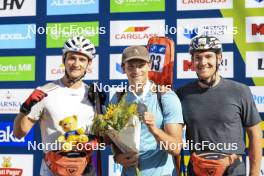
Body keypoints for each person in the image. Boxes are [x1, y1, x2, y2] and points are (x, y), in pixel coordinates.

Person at [13, 36, 103, 176]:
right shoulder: (45, 92)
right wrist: (24, 110)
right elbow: (19, 133)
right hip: (52, 170)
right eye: (72, 58)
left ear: (89, 64)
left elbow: (103, 137)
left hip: (86, 170)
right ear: (64, 60)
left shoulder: (94, 95)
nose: (76, 64)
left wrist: (95, 140)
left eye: (82, 59)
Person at [176, 35, 262, 176]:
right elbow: (174, 138)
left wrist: (254, 174)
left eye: (208, 56)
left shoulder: (240, 91)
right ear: (191, 61)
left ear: (219, 58)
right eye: (197, 57)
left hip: (232, 170)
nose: (203, 62)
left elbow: (255, 135)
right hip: (197, 170)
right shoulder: (182, 94)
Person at [110, 45, 184, 176]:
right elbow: (114, 138)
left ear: (149, 66)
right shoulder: (117, 99)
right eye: (131, 66)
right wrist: (117, 156)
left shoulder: (166, 97)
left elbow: (176, 148)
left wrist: (153, 129)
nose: (136, 70)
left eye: (141, 65)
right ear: (123, 68)